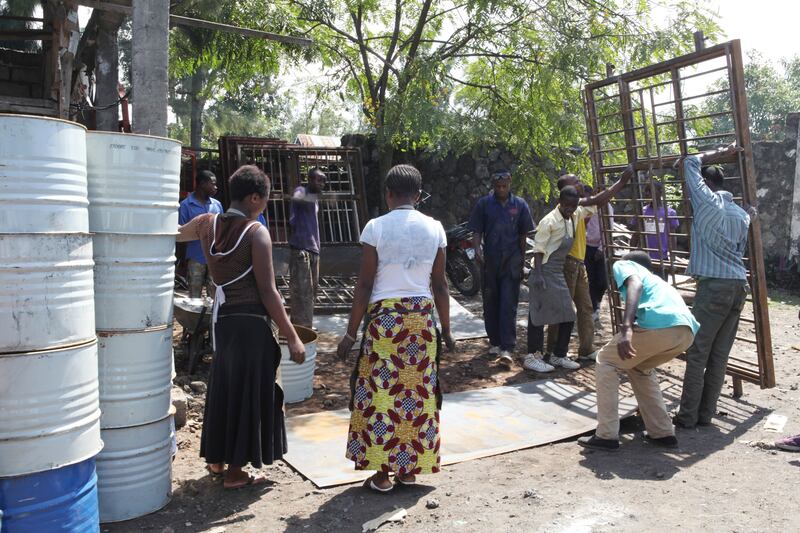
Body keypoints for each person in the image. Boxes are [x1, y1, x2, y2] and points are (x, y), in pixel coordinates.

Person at [177, 165, 305, 489]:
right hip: (252, 325)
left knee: (225, 389)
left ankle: (217, 461)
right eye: (265, 200)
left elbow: (176, 233)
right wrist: (292, 335)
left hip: (224, 322)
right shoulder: (256, 233)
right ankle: (236, 472)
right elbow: (268, 291)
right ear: (254, 198)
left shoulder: (206, 224)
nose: (264, 206)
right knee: (250, 394)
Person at [337, 164, 454, 492]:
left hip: (386, 323)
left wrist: (350, 333)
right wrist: (446, 330)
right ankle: (408, 469)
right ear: (418, 195)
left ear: (388, 194)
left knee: (382, 396)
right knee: (416, 395)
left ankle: (382, 475)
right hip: (421, 322)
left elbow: (364, 284)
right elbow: (440, 286)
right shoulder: (436, 229)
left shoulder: (375, 227)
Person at [577, 251, 699, 451]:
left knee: (606, 361)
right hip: (686, 332)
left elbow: (635, 284)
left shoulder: (625, 265)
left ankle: (606, 435)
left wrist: (626, 329)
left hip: (662, 325)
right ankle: (662, 432)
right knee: (639, 367)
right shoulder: (658, 281)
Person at [674, 145, 752, 429]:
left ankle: (687, 416)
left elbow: (690, 162)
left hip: (714, 287)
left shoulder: (707, 201)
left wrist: (721, 151)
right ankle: (705, 415)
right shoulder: (742, 215)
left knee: (697, 353)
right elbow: (741, 247)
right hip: (738, 285)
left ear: (707, 183)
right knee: (719, 356)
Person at [468, 170, 535, 367]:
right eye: (498, 187)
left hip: (512, 261)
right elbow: (476, 230)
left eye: (504, 186)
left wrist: (522, 260)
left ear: (510, 183)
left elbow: (523, 234)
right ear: (493, 186)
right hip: (490, 261)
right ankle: (495, 342)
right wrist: (477, 249)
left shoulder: (520, 205)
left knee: (508, 303)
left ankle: (507, 347)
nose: (501, 189)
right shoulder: (484, 204)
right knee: (490, 303)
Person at [545, 174, 598, 361]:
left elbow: (589, 214)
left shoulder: (577, 207)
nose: (580, 183)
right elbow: (597, 202)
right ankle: (553, 351)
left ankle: (586, 349)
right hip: (566, 262)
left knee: (585, 307)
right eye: (575, 182)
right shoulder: (565, 210)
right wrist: (621, 182)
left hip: (579, 262)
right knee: (562, 309)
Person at [289, 168, 327, 328]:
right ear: (310, 180)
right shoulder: (301, 191)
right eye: (319, 180)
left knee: (312, 292)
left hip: (314, 249)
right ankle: (302, 329)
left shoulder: (315, 200)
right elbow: (297, 199)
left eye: (324, 181)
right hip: (301, 248)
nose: (322, 184)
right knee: (302, 291)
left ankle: (305, 326)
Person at [178, 170, 223, 298]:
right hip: (195, 257)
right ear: (202, 184)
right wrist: (182, 261)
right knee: (194, 295)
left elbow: (221, 231)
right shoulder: (186, 205)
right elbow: (181, 234)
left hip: (214, 257)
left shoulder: (217, 205)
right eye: (213, 184)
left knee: (214, 295)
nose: (216, 187)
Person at [629, 180, 679, 280]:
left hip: (662, 257)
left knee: (660, 285)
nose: (647, 193)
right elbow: (636, 235)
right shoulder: (642, 212)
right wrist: (631, 254)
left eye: (650, 190)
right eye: (646, 191)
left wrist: (673, 258)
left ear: (660, 192)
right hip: (643, 257)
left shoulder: (669, 213)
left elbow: (672, 237)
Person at [584, 184, 614, 324]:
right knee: (590, 279)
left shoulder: (608, 208)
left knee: (602, 280)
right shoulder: (588, 207)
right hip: (587, 246)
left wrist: (601, 248)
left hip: (602, 247)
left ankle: (597, 301)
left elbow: (609, 229)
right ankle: (594, 307)